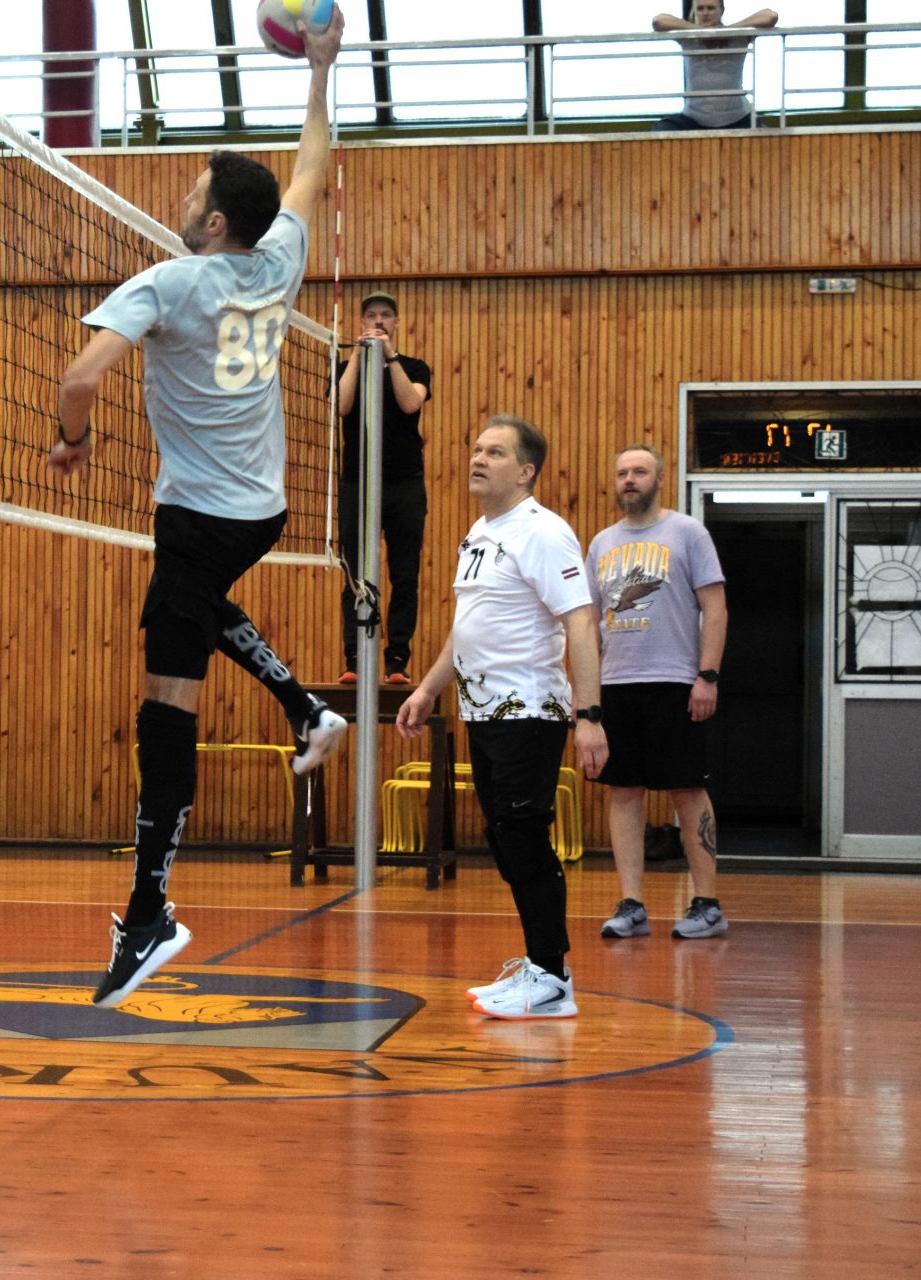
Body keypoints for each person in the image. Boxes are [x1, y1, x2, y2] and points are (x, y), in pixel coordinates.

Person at [46, 7, 349, 1011]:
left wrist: (72, 441)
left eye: (193, 192)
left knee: (164, 701)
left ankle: (150, 914)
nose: (182, 200)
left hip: (197, 514)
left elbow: (79, 377)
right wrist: (320, 71)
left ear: (216, 222)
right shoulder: (280, 255)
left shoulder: (169, 283)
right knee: (181, 639)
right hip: (261, 508)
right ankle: (304, 712)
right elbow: (312, 167)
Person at [397, 416, 608, 1020]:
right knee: (504, 839)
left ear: (525, 472)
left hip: (530, 710)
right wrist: (429, 688)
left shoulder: (543, 531)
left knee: (523, 837)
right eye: (476, 449)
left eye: (495, 452)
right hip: (483, 712)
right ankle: (541, 968)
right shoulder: (480, 531)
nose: (478, 459)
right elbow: (469, 626)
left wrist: (590, 715)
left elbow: (580, 622)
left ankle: (552, 977)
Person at [587, 444, 730, 940]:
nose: (629, 479)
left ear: (660, 479)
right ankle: (632, 904)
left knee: (687, 789)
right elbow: (588, 622)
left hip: (675, 681)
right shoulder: (602, 543)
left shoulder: (688, 532)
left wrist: (707, 676)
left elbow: (716, 608)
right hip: (617, 683)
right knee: (624, 792)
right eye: (622, 472)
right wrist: (588, 696)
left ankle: (707, 903)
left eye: (640, 471)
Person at [335, 289, 433, 683]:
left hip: (404, 484)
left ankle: (396, 661)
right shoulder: (345, 366)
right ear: (362, 322)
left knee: (404, 575)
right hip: (357, 484)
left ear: (396, 322)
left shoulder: (415, 367)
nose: (378, 321)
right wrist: (358, 358)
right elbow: (340, 406)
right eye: (372, 315)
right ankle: (355, 660)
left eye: (386, 315)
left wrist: (389, 357)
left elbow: (411, 403)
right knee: (355, 575)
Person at [652, 3, 780, 132]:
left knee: (769, 138)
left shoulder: (738, 36)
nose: (705, 13)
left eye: (711, 8)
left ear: (721, 10)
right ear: (695, 11)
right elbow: (658, 21)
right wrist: (700, 31)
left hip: (739, 118)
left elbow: (770, 16)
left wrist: (727, 31)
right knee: (661, 130)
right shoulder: (689, 37)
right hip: (693, 119)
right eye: (700, 8)